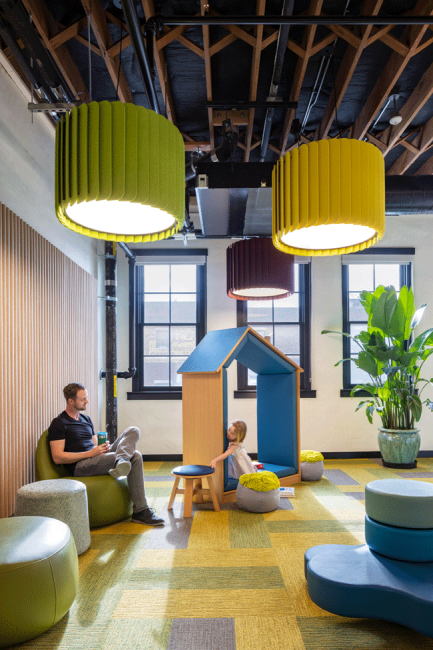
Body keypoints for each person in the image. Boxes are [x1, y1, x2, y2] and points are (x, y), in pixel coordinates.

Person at [48, 382, 164, 526]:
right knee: (136, 456)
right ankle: (140, 511)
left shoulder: (86, 420)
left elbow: (95, 445)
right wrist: (90, 453)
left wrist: (103, 448)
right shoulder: (59, 423)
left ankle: (121, 461)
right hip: (80, 466)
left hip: (95, 458)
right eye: (83, 399)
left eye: (87, 398)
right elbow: (58, 457)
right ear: (71, 401)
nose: (87, 401)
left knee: (133, 430)